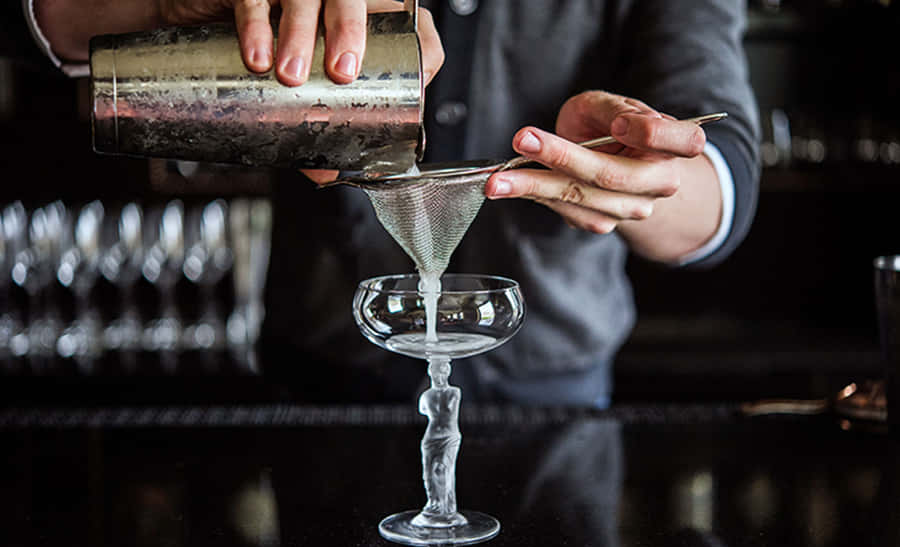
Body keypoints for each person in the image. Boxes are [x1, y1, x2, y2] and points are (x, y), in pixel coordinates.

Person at [17, 0, 759, 407]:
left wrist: (640, 174)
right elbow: (43, 21)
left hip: (556, 406)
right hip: (319, 384)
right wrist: (172, 5)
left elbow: (720, 180)